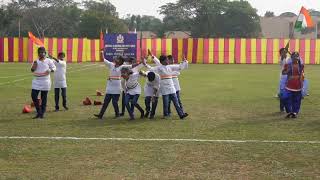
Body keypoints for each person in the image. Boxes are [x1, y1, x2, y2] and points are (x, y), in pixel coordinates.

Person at [145, 55, 188, 119]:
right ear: (162, 61)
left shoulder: (170, 66)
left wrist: (184, 61)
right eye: (166, 60)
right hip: (164, 87)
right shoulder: (159, 68)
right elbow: (151, 69)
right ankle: (166, 114)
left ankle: (181, 114)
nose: (168, 61)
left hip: (171, 86)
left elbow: (180, 67)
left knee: (176, 102)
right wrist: (144, 63)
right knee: (166, 102)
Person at [94, 53, 135, 119]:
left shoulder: (121, 67)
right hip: (109, 87)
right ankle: (100, 115)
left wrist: (140, 63)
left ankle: (117, 114)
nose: (115, 59)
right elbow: (103, 59)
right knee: (106, 102)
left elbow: (131, 66)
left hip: (117, 88)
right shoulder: (111, 65)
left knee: (114, 102)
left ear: (120, 61)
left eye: (117, 58)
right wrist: (102, 53)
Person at [30, 47, 56, 119]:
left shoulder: (49, 61)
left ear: (45, 53)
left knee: (44, 97)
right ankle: (39, 111)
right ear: (38, 53)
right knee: (33, 96)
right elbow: (32, 70)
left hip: (45, 81)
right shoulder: (35, 61)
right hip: (36, 81)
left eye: (43, 52)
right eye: (40, 52)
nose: (41, 53)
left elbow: (54, 68)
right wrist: (34, 65)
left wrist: (50, 70)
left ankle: (42, 113)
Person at [282, 52, 304, 119]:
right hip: (289, 84)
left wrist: (302, 84)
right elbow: (283, 73)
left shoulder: (301, 65)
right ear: (291, 57)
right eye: (294, 56)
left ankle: (294, 112)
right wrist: (287, 71)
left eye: (297, 56)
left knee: (297, 100)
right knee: (285, 97)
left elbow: (302, 75)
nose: (296, 58)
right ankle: (289, 112)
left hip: (298, 85)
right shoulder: (288, 65)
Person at [278, 48, 288, 113]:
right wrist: (283, 56)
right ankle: (282, 108)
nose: (284, 53)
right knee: (283, 92)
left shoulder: (289, 58)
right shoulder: (281, 59)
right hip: (283, 77)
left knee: (289, 92)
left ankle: (288, 107)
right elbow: (282, 60)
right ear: (281, 53)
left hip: (290, 77)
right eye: (283, 52)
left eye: (285, 51)